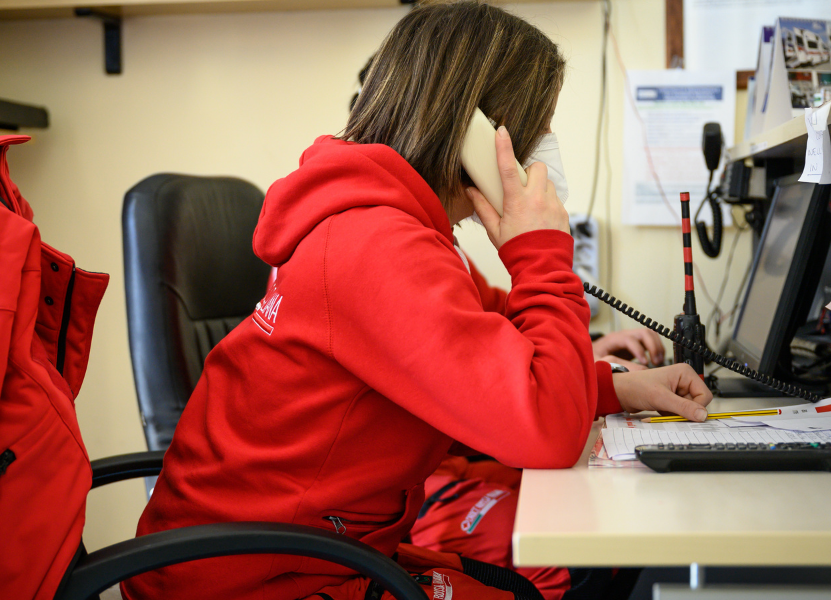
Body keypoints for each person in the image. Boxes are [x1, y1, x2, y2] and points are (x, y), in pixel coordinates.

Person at [122, 4, 712, 600]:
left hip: (297, 550)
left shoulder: (386, 224)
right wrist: (540, 253)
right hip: (255, 578)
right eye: (539, 128)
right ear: (473, 130)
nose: (544, 151)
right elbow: (548, 435)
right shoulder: (376, 242)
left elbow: (481, 375)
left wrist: (613, 388)